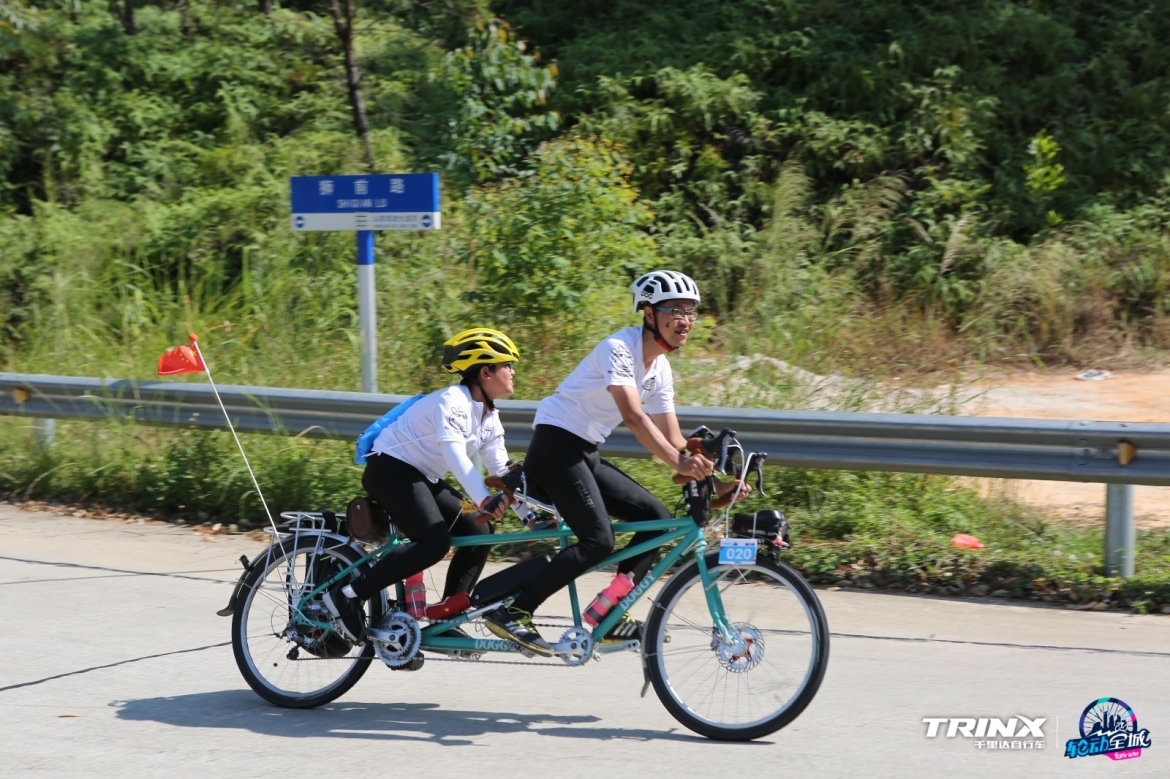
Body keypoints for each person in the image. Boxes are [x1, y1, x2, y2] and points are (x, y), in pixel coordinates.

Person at [483, 271, 742, 656]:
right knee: (598, 539)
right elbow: (635, 418)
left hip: (584, 450)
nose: (685, 320)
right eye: (675, 310)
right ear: (649, 314)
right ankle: (514, 611)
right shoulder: (618, 349)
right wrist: (679, 462)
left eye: (691, 311)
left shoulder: (661, 369)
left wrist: (715, 479)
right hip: (554, 446)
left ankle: (606, 615)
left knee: (654, 520)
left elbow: (673, 438)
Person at [323, 328, 519, 641]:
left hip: (425, 477)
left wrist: (534, 512)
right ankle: (346, 595)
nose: (513, 372)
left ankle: (448, 620)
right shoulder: (451, 401)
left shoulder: (489, 416)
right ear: (486, 371)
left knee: (479, 530)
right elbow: (456, 457)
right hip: (390, 469)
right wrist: (483, 500)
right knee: (434, 541)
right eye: (508, 364)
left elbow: (501, 470)